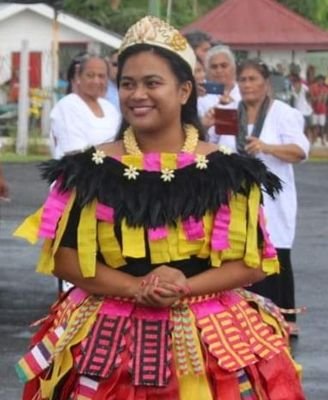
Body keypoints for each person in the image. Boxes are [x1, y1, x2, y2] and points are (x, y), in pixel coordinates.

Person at [15, 17, 305, 399]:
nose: (138, 94)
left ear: (184, 90)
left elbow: (251, 264)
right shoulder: (86, 170)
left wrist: (184, 285)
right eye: (128, 84)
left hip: (211, 338)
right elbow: (65, 261)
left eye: (153, 83)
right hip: (107, 337)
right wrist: (137, 287)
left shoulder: (230, 171)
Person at [217, 59, 310, 337]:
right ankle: (242, 314)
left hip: (273, 197)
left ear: (266, 84)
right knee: (239, 252)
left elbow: (300, 151)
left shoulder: (284, 113)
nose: (247, 85)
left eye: (253, 79)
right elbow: (215, 146)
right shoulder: (229, 113)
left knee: (275, 249)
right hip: (236, 196)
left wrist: (266, 147)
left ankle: (282, 314)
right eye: (243, 80)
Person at [49, 53, 121, 160]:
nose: (96, 81)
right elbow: (75, 152)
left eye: (101, 76)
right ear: (78, 77)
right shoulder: (68, 106)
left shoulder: (109, 108)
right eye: (90, 75)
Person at [198, 45, 241, 142]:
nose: (219, 70)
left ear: (234, 68)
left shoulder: (245, 93)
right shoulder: (201, 99)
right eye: (214, 67)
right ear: (208, 71)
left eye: (224, 66)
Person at [290, 73, 313, 140]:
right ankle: (301, 142)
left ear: (299, 82)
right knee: (300, 129)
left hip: (306, 111)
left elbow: (309, 98)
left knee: (308, 128)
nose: (294, 84)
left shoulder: (305, 88)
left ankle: (309, 141)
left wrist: (309, 104)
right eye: (293, 83)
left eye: (295, 83)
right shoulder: (292, 89)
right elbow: (293, 101)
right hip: (298, 112)